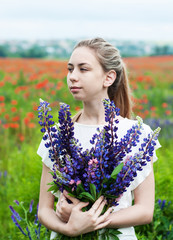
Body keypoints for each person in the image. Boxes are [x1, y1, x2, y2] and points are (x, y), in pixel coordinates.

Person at [37, 37, 161, 240]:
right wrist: (69, 229)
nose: (72, 77)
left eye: (83, 69)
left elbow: (145, 211)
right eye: (70, 69)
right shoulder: (56, 134)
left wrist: (89, 220)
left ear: (108, 78)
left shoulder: (140, 134)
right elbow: (44, 210)